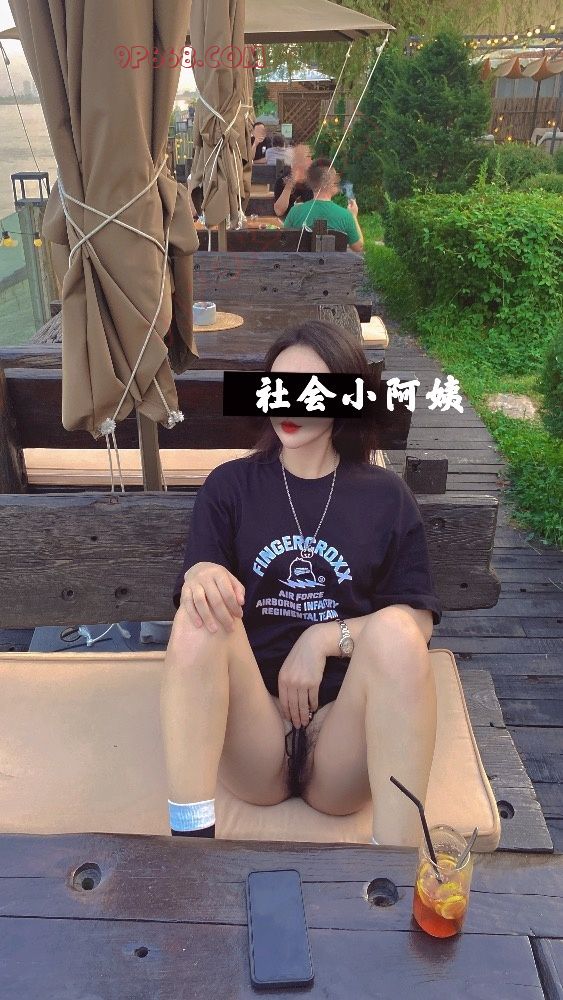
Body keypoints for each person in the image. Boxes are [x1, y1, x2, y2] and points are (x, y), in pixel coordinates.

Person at [160, 320, 441, 848]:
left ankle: (397, 866)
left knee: (399, 636)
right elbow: (202, 581)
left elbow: (417, 621)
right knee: (199, 616)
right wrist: (201, 572)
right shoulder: (230, 486)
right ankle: (190, 849)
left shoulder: (385, 496)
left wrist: (322, 639)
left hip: (341, 737)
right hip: (254, 733)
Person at [284, 163, 364, 252]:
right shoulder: (346, 215)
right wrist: (353, 216)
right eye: (335, 179)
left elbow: (284, 241)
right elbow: (358, 247)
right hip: (335, 261)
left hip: (302, 261)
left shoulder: (295, 211)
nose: (338, 182)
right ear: (327, 183)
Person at [273, 143, 314, 219]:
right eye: (308, 157)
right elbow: (279, 212)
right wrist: (290, 183)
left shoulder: (314, 180)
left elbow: (321, 209)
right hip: (289, 223)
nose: (311, 161)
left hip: (311, 222)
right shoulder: (282, 181)